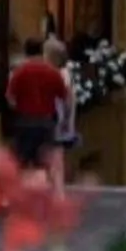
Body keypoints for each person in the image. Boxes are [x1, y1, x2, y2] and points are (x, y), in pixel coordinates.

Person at [5, 37, 71, 173]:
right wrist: (65, 120)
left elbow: (10, 98)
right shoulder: (53, 72)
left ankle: (25, 191)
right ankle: (43, 188)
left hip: (25, 121)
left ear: (26, 52)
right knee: (44, 162)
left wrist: (17, 110)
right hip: (46, 122)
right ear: (42, 51)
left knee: (22, 162)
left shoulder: (20, 72)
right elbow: (65, 98)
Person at [43, 38, 78, 190]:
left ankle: (57, 189)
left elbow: (67, 97)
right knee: (55, 155)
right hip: (58, 118)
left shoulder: (61, 74)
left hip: (58, 118)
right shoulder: (62, 73)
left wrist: (65, 120)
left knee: (55, 155)